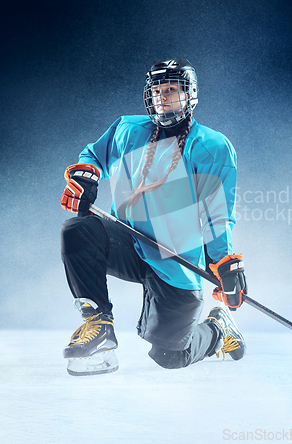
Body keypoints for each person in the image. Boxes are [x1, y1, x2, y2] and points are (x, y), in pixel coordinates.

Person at [60, 57, 248, 376]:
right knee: (78, 230)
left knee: (170, 355)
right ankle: (99, 325)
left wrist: (223, 262)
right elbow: (93, 155)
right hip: (130, 244)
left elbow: (218, 215)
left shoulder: (214, 148)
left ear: (190, 95)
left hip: (176, 262)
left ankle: (218, 330)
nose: (163, 97)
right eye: (158, 90)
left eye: (172, 90)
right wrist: (86, 175)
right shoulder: (126, 129)